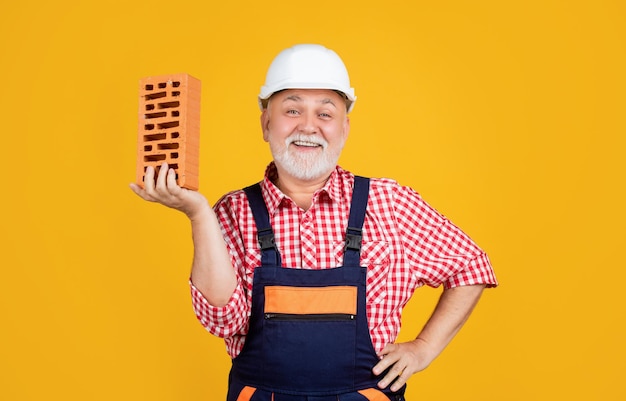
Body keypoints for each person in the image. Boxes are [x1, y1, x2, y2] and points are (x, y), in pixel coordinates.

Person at [130, 44, 497, 401]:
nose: (308, 126)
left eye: (325, 113)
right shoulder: (232, 211)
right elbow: (224, 322)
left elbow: (471, 265)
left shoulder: (390, 204)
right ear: (266, 123)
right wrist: (198, 214)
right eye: (292, 110)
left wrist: (423, 349)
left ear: (344, 128)